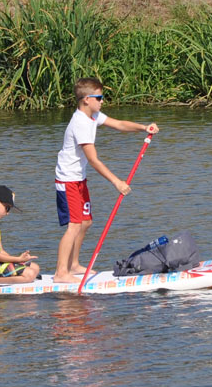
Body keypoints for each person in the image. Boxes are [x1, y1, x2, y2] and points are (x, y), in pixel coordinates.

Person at [52, 77, 159, 284]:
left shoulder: (93, 116)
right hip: (67, 180)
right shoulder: (80, 123)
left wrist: (143, 127)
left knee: (86, 222)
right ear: (85, 100)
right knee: (74, 225)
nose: (102, 101)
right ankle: (60, 273)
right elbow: (93, 160)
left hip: (78, 178)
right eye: (99, 98)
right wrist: (117, 182)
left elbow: (118, 124)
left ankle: (73, 265)